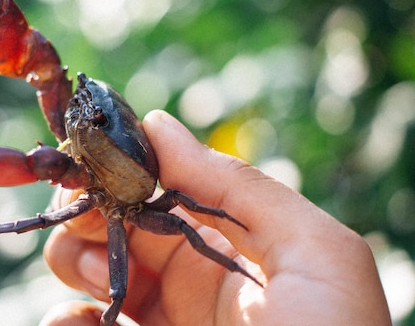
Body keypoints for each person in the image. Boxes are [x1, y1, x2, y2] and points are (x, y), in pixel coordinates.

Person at [40, 110, 392, 326]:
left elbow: (177, 201)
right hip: (123, 205)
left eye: (98, 121)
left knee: (129, 274)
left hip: (137, 202)